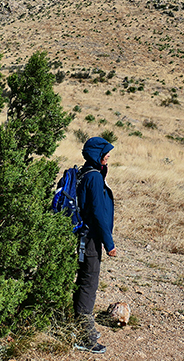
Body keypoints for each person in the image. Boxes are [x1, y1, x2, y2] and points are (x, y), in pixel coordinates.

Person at [73, 137, 117, 354]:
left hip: (83, 235)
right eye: (105, 152)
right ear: (96, 154)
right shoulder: (95, 178)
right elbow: (98, 213)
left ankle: (78, 326)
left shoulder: (84, 173)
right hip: (91, 237)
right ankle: (84, 336)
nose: (108, 155)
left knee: (83, 279)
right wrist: (109, 243)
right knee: (89, 282)